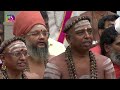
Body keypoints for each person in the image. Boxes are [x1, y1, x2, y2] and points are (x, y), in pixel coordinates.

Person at [44, 16, 116, 79]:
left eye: (90, 31)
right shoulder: (54, 65)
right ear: (69, 39)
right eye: (80, 32)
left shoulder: (105, 63)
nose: (87, 36)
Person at [13, 11, 53, 79]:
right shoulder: (13, 65)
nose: (42, 37)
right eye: (35, 33)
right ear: (23, 38)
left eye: (44, 33)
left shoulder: (54, 62)